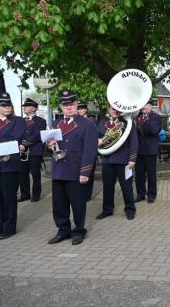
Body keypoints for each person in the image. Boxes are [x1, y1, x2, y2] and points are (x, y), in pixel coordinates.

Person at [46, 90, 97, 245]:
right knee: (59, 204)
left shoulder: (88, 124)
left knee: (78, 204)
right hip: (59, 169)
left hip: (76, 170)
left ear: (76, 104)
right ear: (61, 107)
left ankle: (78, 231)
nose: (69, 107)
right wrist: (50, 145)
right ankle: (63, 230)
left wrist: (85, 172)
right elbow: (50, 146)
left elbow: (90, 150)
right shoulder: (56, 124)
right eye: (65, 105)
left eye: (72, 104)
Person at [96, 106, 137, 220]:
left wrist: (132, 159)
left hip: (124, 160)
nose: (114, 111)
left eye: (116, 109)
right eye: (112, 109)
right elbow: (97, 136)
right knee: (107, 187)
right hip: (107, 159)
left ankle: (130, 210)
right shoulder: (103, 122)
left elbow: (134, 142)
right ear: (109, 110)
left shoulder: (128, 122)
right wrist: (97, 140)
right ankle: (107, 210)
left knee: (127, 187)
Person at [0, 93, 26, 240]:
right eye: (3, 105)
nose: (7, 107)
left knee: (9, 198)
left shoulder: (18, 121)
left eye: (9, 105)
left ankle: (9, 228)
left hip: (10, 165)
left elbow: (16, 138)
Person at [18, 98, 47, 202]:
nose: (24, 108)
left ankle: (36, 194)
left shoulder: (41, 121)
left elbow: (38, 135)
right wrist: (18, 145)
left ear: (34, 108)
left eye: (27, 106)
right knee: (23, 174)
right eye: (24, 106)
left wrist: (25, 144)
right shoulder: (21, 120)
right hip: (22, 152)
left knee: (35, 173)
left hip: (35, 151)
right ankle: (25, 194)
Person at [134, 99, 162, 203]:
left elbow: (153, 130)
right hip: (138, 150)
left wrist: (144, 121)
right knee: (139, 174)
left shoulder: (156, 117)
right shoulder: (136, 117)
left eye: (145, 105)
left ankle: (151, 195)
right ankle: (140, 194)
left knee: (151, 174)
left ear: (151, 106)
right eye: (142, 105)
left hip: (150, 150)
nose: (143, 107)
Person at [77, 101, 98, 202]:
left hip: (89, 150)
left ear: (86, 110)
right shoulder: (75, 121)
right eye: (78, 109)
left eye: (81, 109)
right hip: (79, 152)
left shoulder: (92, 120)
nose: (79, 110)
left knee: (90, 173)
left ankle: (88, 194)